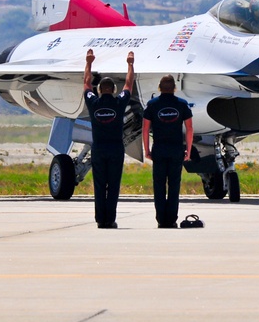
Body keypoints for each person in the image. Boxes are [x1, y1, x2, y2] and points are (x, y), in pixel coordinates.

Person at [83, 49, 135, 229]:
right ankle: (110, 219)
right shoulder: (119, 102)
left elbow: (86, 84)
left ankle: (100, 220)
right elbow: (129, 85)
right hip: (115, 149)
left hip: (99, 149)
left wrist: (89, 63)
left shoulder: (93, 102)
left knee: (99, 185)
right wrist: (130, 64)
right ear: (114, 90)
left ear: (99, 90)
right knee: (113, 185)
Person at [142, 75, 194, 228]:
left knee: (158, 185)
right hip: (176, 149)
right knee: (174, 185)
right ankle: (171, 219)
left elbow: (145, 129)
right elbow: (189, 128)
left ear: (159, 87)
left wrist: (146, 149)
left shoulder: (152, 105)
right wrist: (188, 150)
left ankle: (161, 219)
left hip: (159, 149)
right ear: (174, 88)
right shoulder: (182, 104)